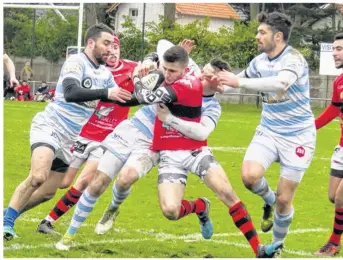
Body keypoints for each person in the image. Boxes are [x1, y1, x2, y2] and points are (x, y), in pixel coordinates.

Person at [56, 48, 282, 257]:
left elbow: (201, 132)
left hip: (194, 152)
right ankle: (199, 206)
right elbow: (162, 52)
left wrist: (169, 119)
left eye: (207, 76)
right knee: (170, 211)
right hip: (167, 153)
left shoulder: (211, 105)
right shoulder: (184, 78)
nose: (200, 76)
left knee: (226, 191)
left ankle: (258, 250)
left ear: (220, 83)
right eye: (201, 72)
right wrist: (147, 62)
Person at [3, 23, 132, 241]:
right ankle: (6, 225)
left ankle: (6, 216)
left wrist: (153, 95)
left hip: (69, 138)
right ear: (91, 43)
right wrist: (106, 92)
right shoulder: (76, 62)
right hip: (50, 126)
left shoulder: (104, 73)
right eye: (106, 43)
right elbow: (72, 92)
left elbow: (122, 97)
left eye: (112, 44)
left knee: (47, 191)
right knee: (38, 177)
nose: (110, 49)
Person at [213, 11, 316, 252]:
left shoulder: (294, 59)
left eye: (262, 32)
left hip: (298, 135)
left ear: (278, 36)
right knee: (249, 177)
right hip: (269, 130)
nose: (257, 36)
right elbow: (232, 85)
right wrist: (214, 83)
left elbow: (280, 83)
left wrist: (238, 83)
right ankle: (268, 201)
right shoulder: (258, 62)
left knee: (284, 200)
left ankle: (276, 248)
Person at [36, 34, 137, 234]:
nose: (112, 51)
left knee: (84, 181)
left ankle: (47, 221)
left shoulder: (132, 70)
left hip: (106, 139)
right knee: (62, 183)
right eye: (109, 46)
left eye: (116, 47)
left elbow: (155, 66)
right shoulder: (95, 71)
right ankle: (19, 207)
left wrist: (147, 74)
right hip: (82, 133)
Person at [314, 32, 343, 257]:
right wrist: (311, 127)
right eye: (334, 48)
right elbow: (334, 109)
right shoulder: (338, 81)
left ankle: (333, 244)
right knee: (334, 196)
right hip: (341, 147)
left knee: (342, 198)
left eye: (339, 49)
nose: (334, 53)